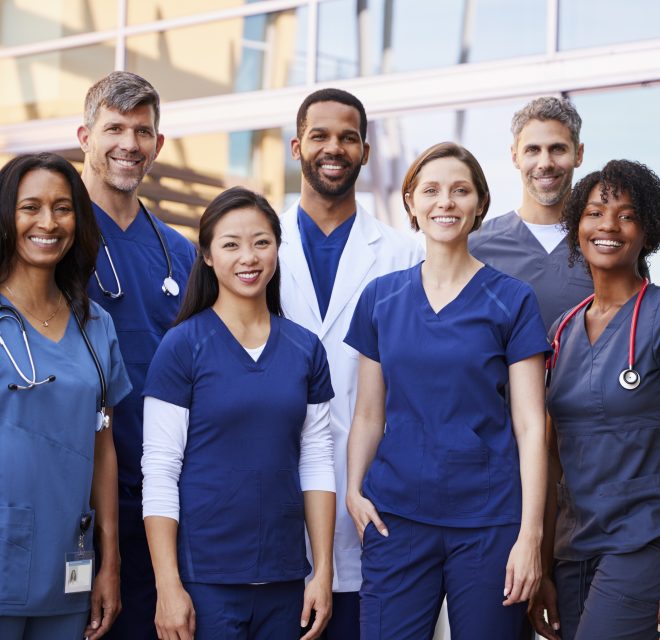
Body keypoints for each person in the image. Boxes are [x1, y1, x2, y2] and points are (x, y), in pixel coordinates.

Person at [345, 142, 550, 640]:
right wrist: (353, 491)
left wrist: (530, 535)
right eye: (431, 191)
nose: (446, 203)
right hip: (397, 518)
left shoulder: (512, 300)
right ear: (410, 202)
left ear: (480, 202)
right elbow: (369, 414)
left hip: (489, 523)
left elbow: (530, 425)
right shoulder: (381, 298)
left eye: (460, 191)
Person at [140, 187, 336, 640]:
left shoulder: (305, 348)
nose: (248, 257)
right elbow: (161, 472)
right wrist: (168, 585)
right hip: (206, 581)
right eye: (231, 244)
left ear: (277, 249)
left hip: (286, 581)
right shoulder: (182, 346)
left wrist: (322, 572)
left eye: (261, 242)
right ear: (207, 256)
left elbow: (317, 461)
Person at [279, 87, 424, 639]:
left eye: (348, 137)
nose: (333, 148)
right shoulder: (257, 244)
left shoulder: (404, 255)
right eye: (319, 135)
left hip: (375, 499)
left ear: (365, 151)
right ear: (297, 146)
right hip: (272, 493)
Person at [77, 71, 196, 639]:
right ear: (85, 136)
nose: (130, 143)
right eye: (115, 128)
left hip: (161, 494)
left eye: (143, 131)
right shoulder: (55, 234)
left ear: (159, 144)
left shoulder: (181, 251)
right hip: (78, 484)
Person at [0, 153, 132, 640]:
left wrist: (110, 559)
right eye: (29, 207)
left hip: (68, 558)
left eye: (62, 207)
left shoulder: (95, 323)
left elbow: (102, 442)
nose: (48, 223)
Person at [529, 160, 660, 640]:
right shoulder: (562, 330)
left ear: (647, 231)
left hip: (641, 541)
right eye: (595, 212)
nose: (608, 225)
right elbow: (549, 458)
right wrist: (541, 567)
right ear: (576, 225)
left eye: (627, 215)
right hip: (574, 546)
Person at [469, 96, 593, 331]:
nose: (545, 162)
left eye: (557, 149)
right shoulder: (475, 248)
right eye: (532, 150)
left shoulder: (605, 243)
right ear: (515, 156)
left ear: (579, 154)